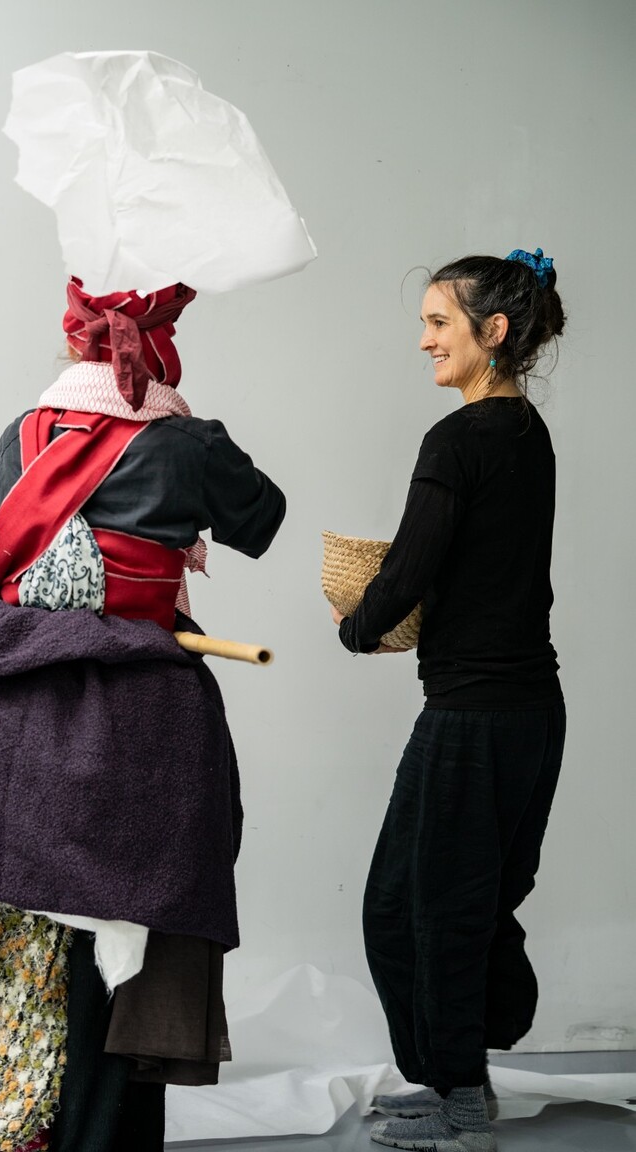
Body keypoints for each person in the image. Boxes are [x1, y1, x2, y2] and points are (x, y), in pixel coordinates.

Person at [0, 281, 285, 1152]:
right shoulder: (188, 444)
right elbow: (262, 519)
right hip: (122, 725)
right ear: (160, 349)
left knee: (9, 932)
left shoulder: (19, 434)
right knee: (110, 949)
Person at [331, 249, 566, 1152]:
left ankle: (462, 1107)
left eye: (439, 322)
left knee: (432, 910)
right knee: (444, 902)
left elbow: (405, 571)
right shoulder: (528, 433)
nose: (425, 340)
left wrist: (356, 627)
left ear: (492, 331)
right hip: (527, 714)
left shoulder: (457, 439)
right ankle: (451, 1077)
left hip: (473, 718)